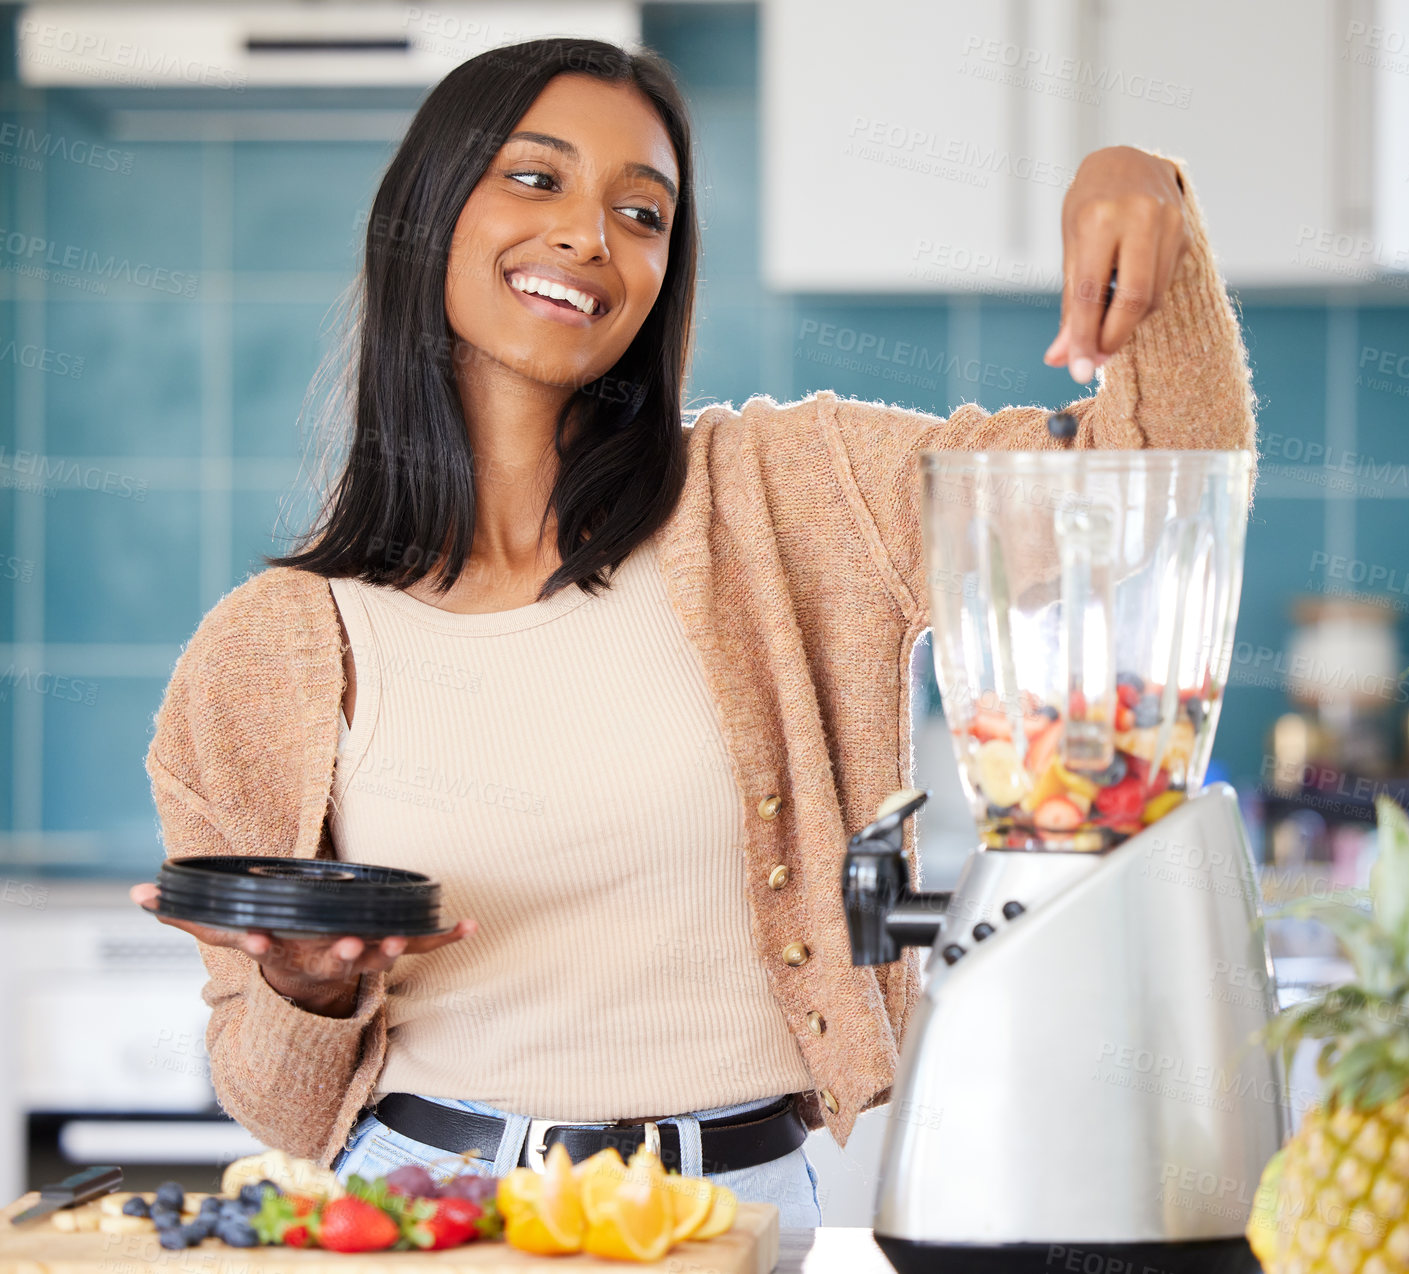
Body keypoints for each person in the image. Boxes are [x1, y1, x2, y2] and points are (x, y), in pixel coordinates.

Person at [129, 37, 1256, 1228]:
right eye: (535, 178)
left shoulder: (783, 491)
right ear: (424, 213)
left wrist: (1150, 197)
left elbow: (1133, 506)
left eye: (642, 211)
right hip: (434, 1219)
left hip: (738, 1216)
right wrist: (304, 992)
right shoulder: (266, 653)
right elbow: (279, 1107)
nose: (589, 235)